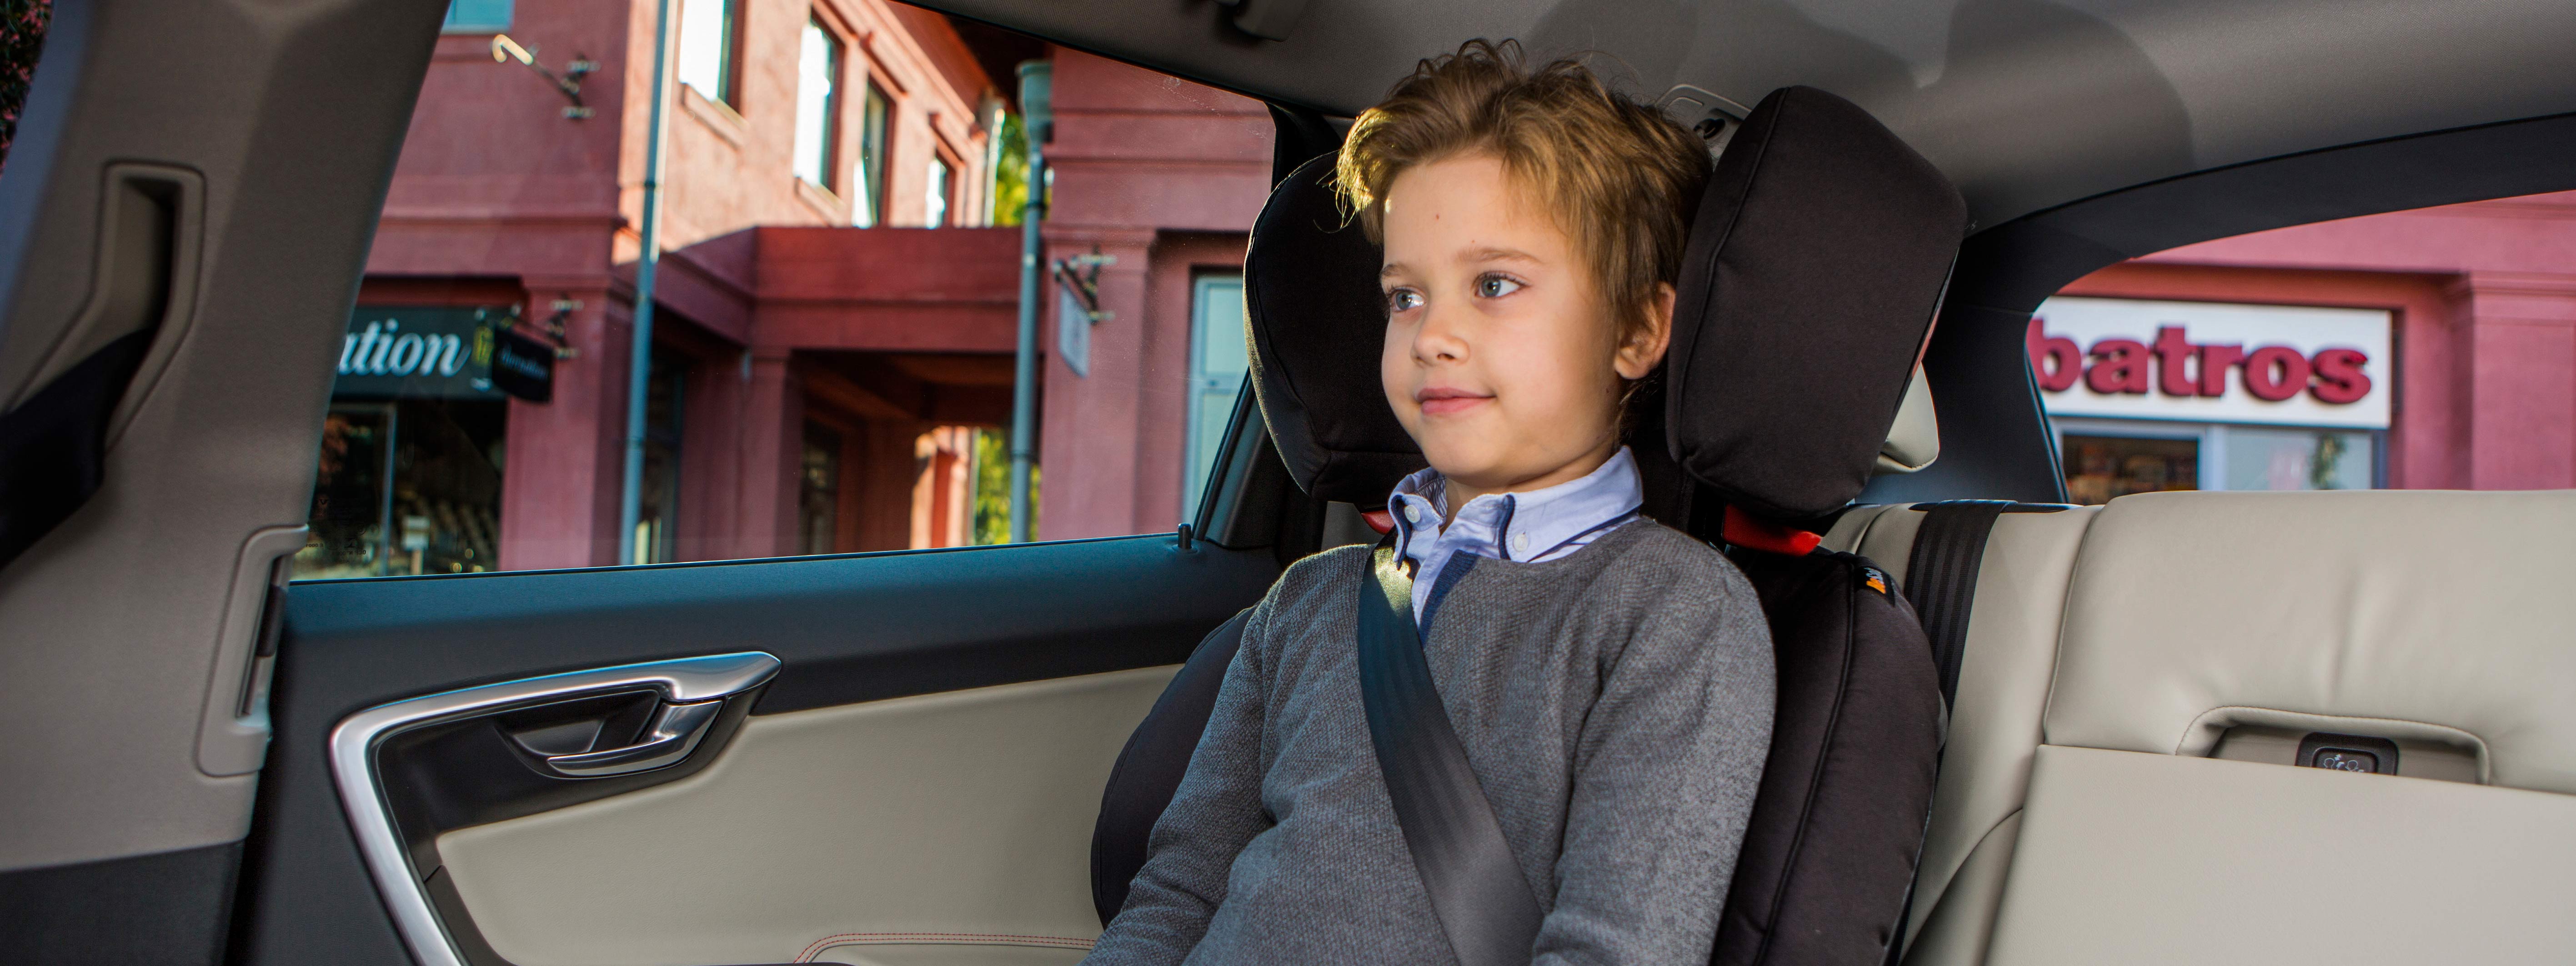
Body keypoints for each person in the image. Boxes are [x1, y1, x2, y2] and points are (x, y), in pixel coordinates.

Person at [1083, 40, 1774, 965]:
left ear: (1638, 328)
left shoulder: (1671, 614)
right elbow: (1179, 893)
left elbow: (1613, 951)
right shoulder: (1308, 605)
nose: (1433, 334)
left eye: (1495, 284)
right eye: (1405, 296)